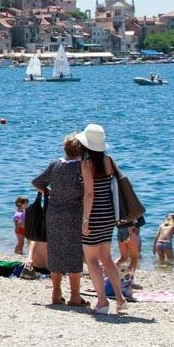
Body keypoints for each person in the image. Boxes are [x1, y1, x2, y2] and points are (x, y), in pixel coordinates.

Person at [32, 134, 88, 308]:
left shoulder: (54, 165)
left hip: (54, 212)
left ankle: (56, 294)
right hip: (74, 213)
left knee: (55, 251)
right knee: (74, 253)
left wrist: (47, 192)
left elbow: (36, 182)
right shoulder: (81, 167)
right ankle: (75, 296)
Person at [77, 124, 127, 314]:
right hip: (109, 215)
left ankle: (102, 302)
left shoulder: (87, 164)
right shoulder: (109, 161)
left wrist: (85, 219)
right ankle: (120, 300)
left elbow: (89, 194)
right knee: (106, 258)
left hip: (94, 215)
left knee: (91, 260)